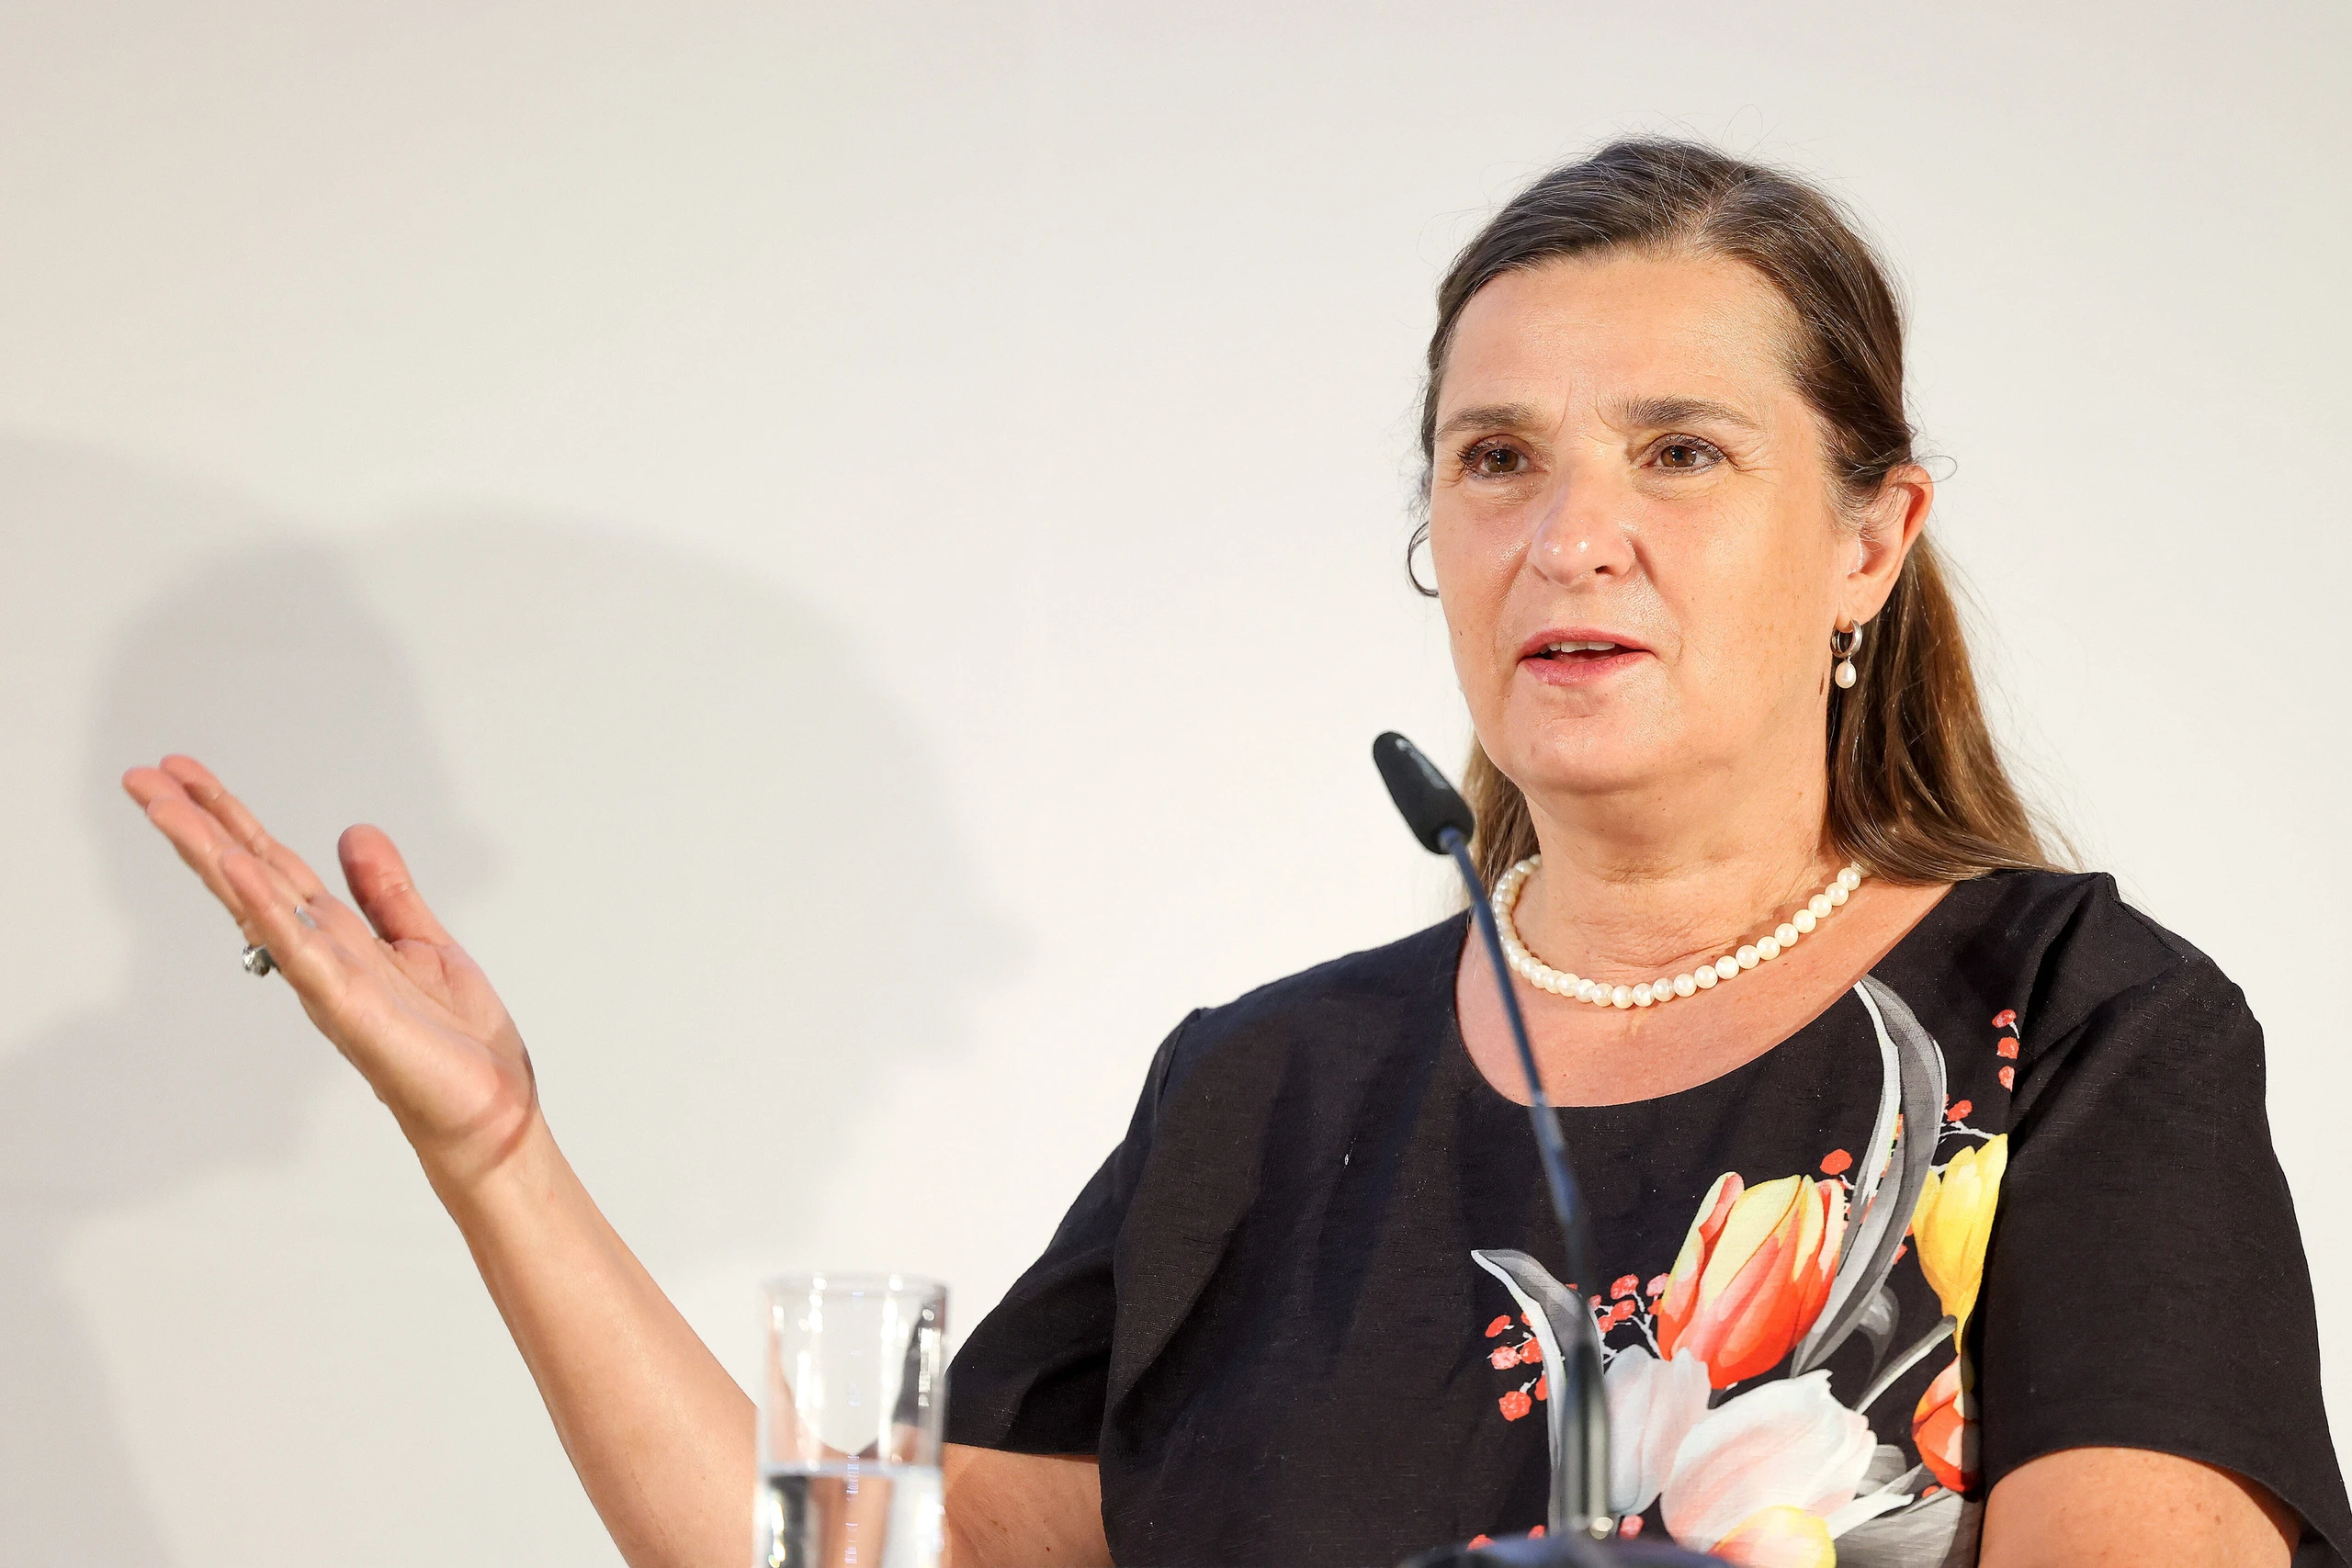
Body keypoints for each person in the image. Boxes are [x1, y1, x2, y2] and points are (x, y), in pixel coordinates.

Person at [125, 139, 2347, 1568]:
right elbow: (835, 1557)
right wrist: (502, 1152)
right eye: (1494, 458)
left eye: (1679, 450)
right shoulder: (1260, 1091)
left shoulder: (2066, 1026)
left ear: (1872, 536)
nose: (1570, 534)